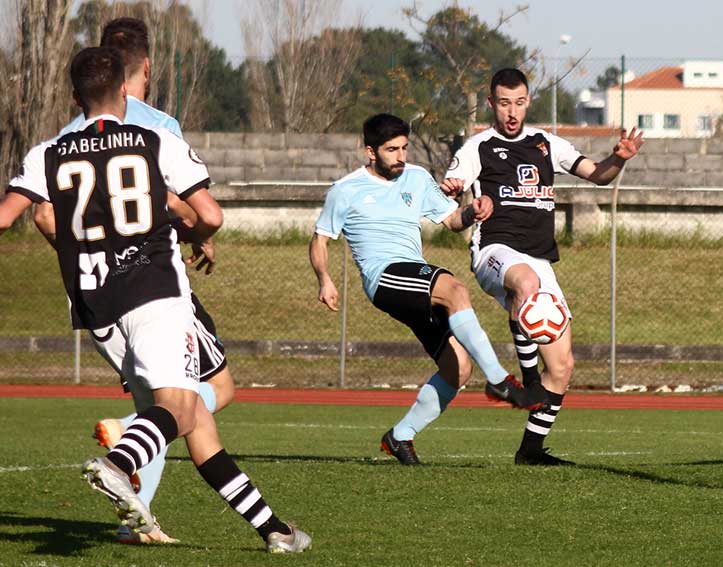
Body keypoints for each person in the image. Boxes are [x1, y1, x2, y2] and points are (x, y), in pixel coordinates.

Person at [0, 47, 310, 554]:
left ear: (74, 98)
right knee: (182, 412)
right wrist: (192, 231)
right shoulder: (154, 141)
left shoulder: (47, 153)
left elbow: (12, 217)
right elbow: (210, 214)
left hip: (98, 310)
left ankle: (274, 530)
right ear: (125, 89)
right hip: (155, 294)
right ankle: (118, 463)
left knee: (194, 422)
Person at [33, 17, 234, 544]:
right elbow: (185, 202)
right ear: (143, 68)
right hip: (155, 279)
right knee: (204, 394)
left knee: (167, 397)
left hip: (98, 291)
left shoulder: (68, 136)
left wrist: (85, 252)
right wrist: (197, 235)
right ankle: (130, 437)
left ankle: (135, 516)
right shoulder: (157, 127)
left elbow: (44, 215)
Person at [309, 113, 548, 466]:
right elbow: (320, 240)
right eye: (392, 150)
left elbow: (452, 220)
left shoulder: (417, 178)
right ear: (370, 151)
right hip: (384, 276)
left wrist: (473, 212)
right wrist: (325, 279)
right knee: (454, 289)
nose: (401, 156)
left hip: (413, 279)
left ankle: (400, 437)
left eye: (404, 148)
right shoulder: (345, 190)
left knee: (458, 368)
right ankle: (499, 380)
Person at [441, 68, 644, 466]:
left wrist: (617, 159)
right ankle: (526, 380)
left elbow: (598, 176)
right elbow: (454, 183)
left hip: (539, 257)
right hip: (494, 252)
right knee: (525, 282)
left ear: (528, 101)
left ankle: (530, 450)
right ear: (491, 104)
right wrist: (457, 194)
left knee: (564, 366)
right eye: (503, 103)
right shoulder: (477, 147)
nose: (511, 112)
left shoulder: (546, 143)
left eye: (518, 102)